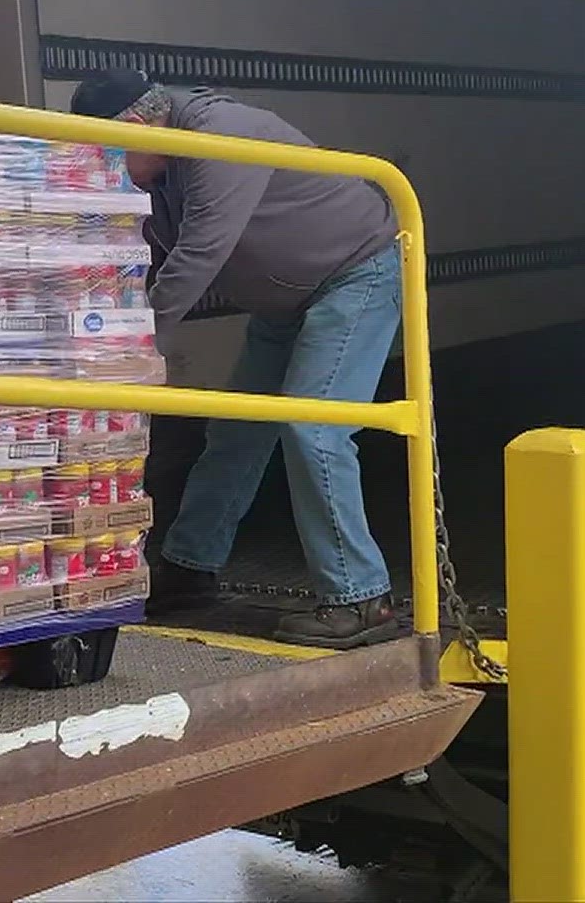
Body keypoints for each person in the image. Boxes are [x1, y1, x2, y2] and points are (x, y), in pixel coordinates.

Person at [70, 69, 403, 648]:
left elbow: (200, 252)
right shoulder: (164, 162)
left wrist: (129, 341)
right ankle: (190, 569)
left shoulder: (219, 138)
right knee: (236, 434)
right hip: (282, 300)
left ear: (141, 126)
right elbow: (143, 252)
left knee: (314, 428)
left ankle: (360, 598)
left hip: (353, 275)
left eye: (109, 152)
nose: (107, 168)